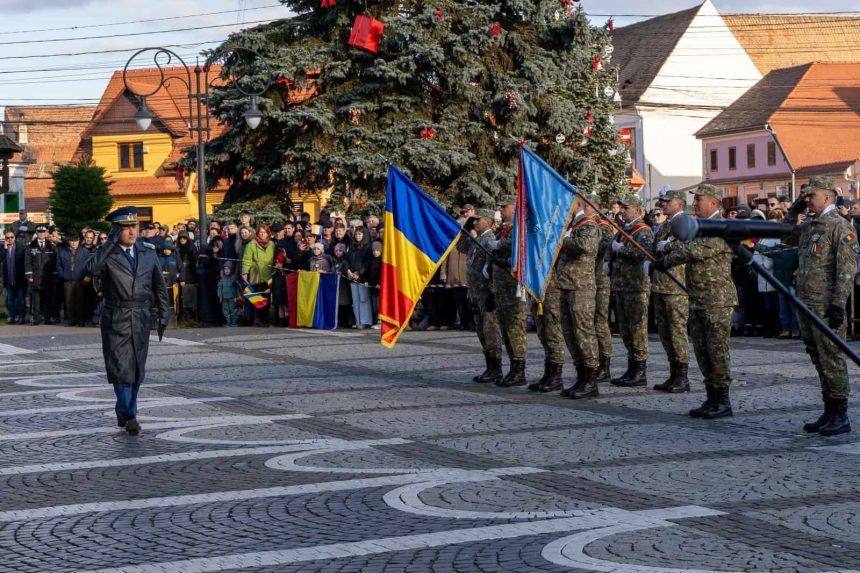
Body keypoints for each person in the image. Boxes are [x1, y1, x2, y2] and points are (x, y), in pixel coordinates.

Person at [654, 184, 737, 419]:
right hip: (698, 296)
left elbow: (693, 250)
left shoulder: (721, 226)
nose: (695, 203)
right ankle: (711, 397)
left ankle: (723, 400)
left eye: (699, 199)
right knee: (702, 349)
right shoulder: (701, 226)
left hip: (717, 299)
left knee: (717, 350)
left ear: (713, 202)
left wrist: (666, 260)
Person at [85, 206, 169, 436]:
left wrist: (164, 312)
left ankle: (124, 410)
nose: (132, 232)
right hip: (116, 316)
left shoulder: (148, 252)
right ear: (115, 231)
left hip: (141, 315)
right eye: (125, 228)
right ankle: (130, 415)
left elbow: (159, 285)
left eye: (135, 226)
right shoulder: (108, 253)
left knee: (136, 369)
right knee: (121, 368)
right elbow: (90, 269)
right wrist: (109, 243)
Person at [783, 176, 857, 435]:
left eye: (810, 196)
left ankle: (840, 414)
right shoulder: (810, 226)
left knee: (832, 358)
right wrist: (792, 214)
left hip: (826, 305)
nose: (807, 200)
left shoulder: (839, 226)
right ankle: (828, 411)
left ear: (827, 197)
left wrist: (838, 304)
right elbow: (787, 239)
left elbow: (847, 269)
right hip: (807, 303)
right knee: (817, 357)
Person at [553, 193, 600, 398]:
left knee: (583, 333)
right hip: (566, 284)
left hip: (581, 287)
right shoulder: (572, 224)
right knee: (570, 333)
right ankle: (581, 377)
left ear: (578, 204)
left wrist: (564, 239)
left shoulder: (588, 225)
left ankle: (591, 380)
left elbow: (586, 247)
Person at [609, 196, 653, 387]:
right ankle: (631, 367)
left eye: (626, 208)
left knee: (637, 330)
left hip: (635, 287)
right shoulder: (623, 230)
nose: (622, 211)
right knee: (626, 330)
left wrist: (621, 250)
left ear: (637, 210)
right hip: (622, 285)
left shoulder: (642, 231)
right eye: (622, 208)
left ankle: (640, 371)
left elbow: (643, 253)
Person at [651, 190, 691, 393]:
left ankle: (683, 377)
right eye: (662, 201)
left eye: (668, 201)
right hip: (661, 284)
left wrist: (666, 249)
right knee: (666, 333)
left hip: (676, 284)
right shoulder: (666, 225)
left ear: (680, 204)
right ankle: (673, 373)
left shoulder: (685, 222)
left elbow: (686, 250)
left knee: (677, 332)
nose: (663, 204)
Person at [458, 209, 503, 383]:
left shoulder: (490, 239)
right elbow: (461, 246)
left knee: (490, 332)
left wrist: (492, 292)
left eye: (478, 220)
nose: (474, 222)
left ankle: (495, 369)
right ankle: (489, 367)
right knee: (481, 332)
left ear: (488, 221)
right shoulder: (478, 239)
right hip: (475, 292)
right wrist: (466, 230)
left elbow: (492, 269)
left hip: (486, 294)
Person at [492, 195, 527, 387]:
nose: (502, 210)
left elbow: (518, 248)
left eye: (504, 207)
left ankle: (519, 370)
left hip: (514, 287)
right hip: (502, 287)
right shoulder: (505, 230)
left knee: (515, 328)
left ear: (514, 208)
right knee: (506, 329)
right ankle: (513, 367)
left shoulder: (518, 229)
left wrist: (500, 246)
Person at [55, 233, 92, 326]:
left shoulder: (85, 252)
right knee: (68, 301)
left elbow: (90, 267)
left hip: (81, 281)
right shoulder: (63, 252)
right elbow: (58, 265)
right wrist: (63, 275)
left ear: (79, 241)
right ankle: (71, 319)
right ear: (69, 242)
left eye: (75, 241)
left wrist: (86, 281)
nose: (74, 243)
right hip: (67, 280)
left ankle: (81, 320)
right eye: (72, 241)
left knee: (81, 301)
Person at [242, 224, 275, 327]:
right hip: (256, 274)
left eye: (264, 232)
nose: (262, 234)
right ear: (257, 233)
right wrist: (245, 272)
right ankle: (257, 319)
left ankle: (265, 319)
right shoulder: (252, 244)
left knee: (267, 298)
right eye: (260, 232)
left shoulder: (272, 244)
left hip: (268, 275)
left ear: (268, 233)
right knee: (257, 298)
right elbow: (247, 259)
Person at [25, 225, 57, 325]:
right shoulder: (31, 246)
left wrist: (55, 275)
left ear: (46, 233)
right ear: (36, 233)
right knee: (36, 301)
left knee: (48, 299)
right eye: (39, 232)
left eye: (43, 232)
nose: (41, 234)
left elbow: (55, 262)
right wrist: (29, 276)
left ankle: (47, 319)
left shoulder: (51, 247)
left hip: (48, 278)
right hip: (36, 278)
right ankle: (36, 319)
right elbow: (27, 262)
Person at [346, 227, 373, 328]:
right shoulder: (352, 247)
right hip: (352, 278)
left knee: (363, 299)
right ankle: (358, 321)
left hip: (362, 278)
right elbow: (346, 260)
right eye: (356, 234)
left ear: (364, 235)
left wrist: (359, 273)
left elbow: (368, 263)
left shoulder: (368, 247)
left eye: (360, 234)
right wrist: (348, 270)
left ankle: (365, 321)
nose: (358, 236)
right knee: (355, 300)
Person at [2, 231, 27, 324]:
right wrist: (5, 249)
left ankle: (21, 317)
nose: (10, 239)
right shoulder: (3, 249)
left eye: (11, 237)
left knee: (21, 300)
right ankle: (11, 316)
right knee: (10, 300)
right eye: (7, 238)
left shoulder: (21, 248)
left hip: (19, 279)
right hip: (9, 279)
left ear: (14, 238)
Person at [218, 262, 241, 327]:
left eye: (228, 269)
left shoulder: (233, 279)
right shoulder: (222, 280)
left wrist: (237, 296)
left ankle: (234, 321)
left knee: (233, 309)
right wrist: (220, 296)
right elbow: (220, 287)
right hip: (224, 298)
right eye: (225, 269)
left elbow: (237, 288)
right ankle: (228, 321)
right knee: (225, 310)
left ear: (231, 270)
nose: (226, 271)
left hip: (232, 298)